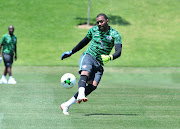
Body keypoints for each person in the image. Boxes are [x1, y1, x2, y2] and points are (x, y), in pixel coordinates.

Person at [60, 13, 122, 115]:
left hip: (99, 63)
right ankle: (81, 94)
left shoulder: (115, 34)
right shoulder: (93, 30)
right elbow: (83, 42)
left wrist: (110, 57)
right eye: (97, 22)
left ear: (107, 21)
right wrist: (71, 52)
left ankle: (66, 104)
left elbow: (118, 51)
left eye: (101, 21)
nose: (99, 24)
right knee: (85, 72)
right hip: (88, 56)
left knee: (93, 86)